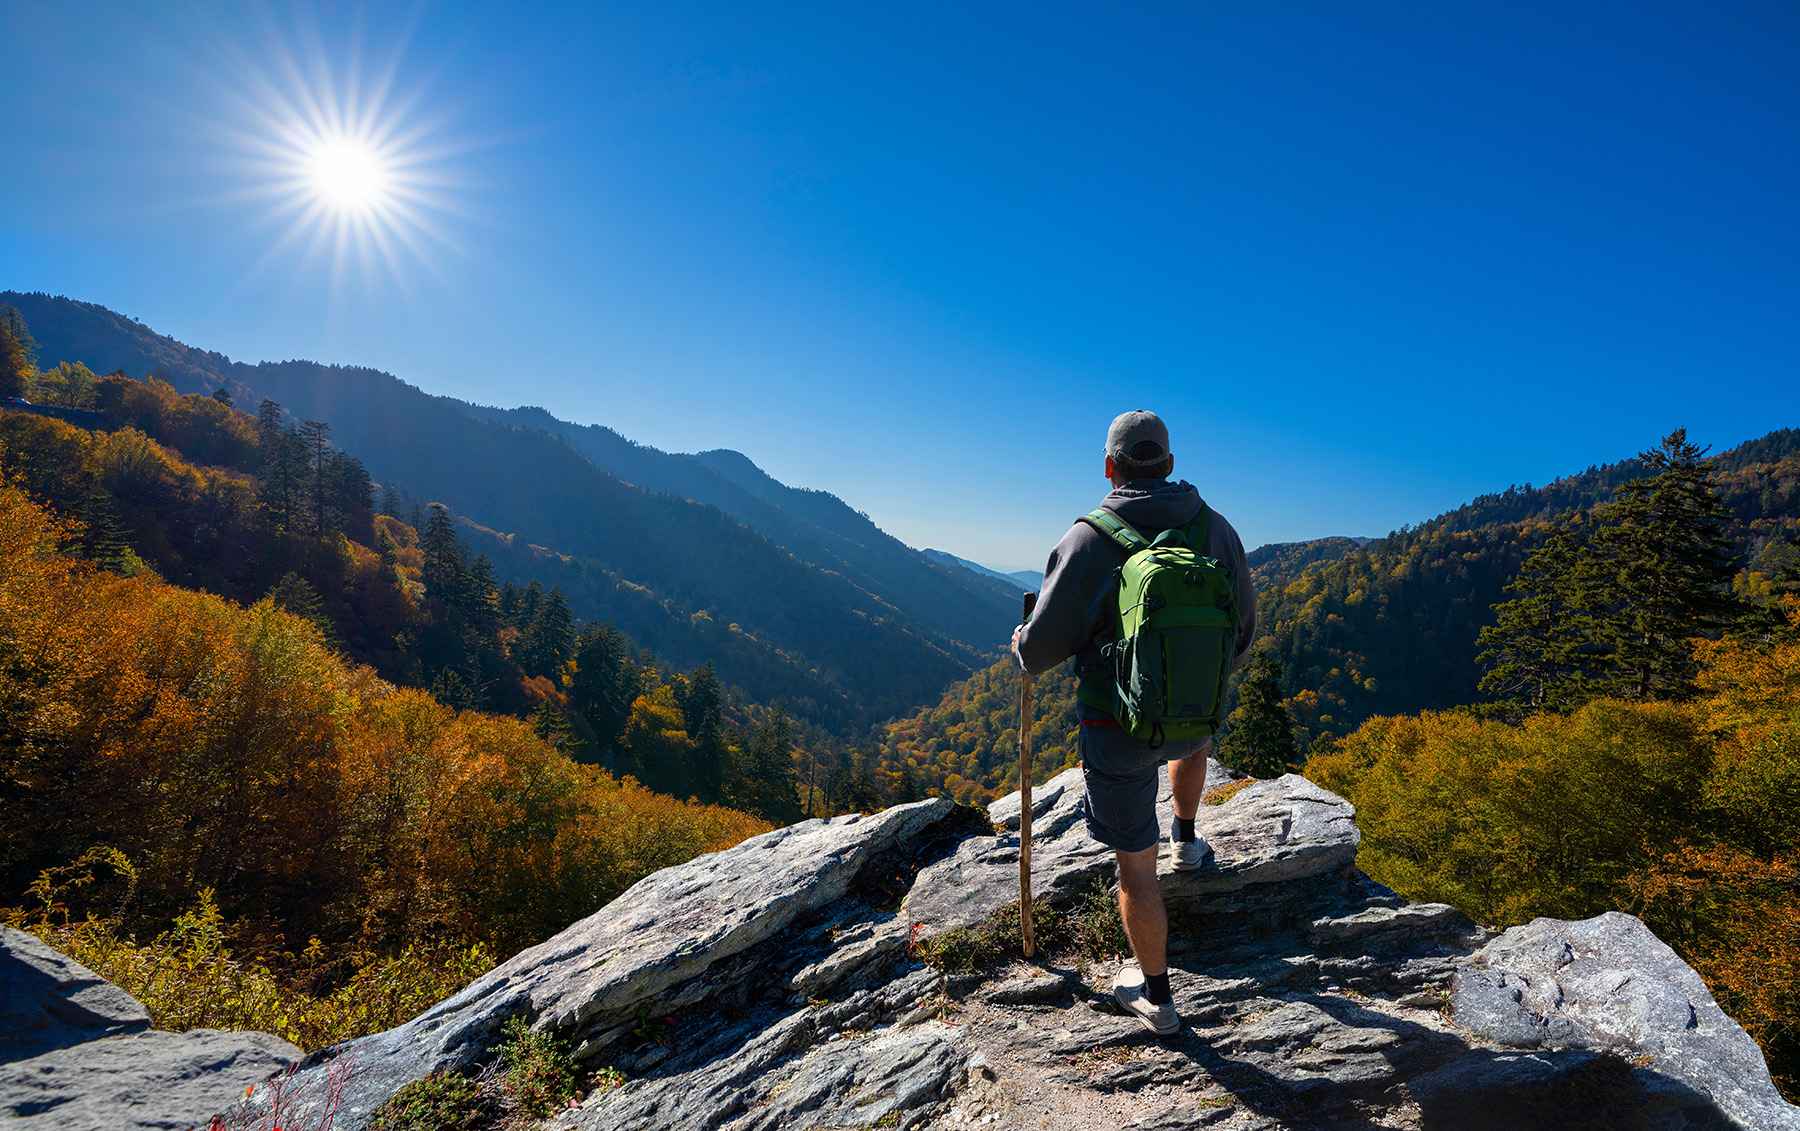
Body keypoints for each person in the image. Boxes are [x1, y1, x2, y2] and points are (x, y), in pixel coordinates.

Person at [1011, 409, 1255, 1034]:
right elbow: (1242, 634)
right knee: (1186, 745)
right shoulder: (1217, 532)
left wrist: (1021, 639)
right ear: (1170, 464)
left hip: (1115, 725)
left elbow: (1039, 653)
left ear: (1110, 466)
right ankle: (1188, 837)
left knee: (1135, 872)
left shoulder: (1089, 539)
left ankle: (1157, 997)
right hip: (1194, 715)